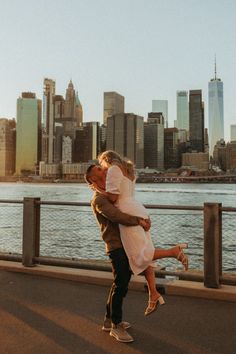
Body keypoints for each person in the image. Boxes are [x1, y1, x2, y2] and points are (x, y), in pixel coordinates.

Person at [97, 150, 189, 316]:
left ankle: (173, 252)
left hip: (128, 215)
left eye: (102, 166)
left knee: (139, 255)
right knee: (143, 255)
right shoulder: (128, 169)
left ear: (106, 161)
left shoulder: (113, 169)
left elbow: (111, 197)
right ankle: (153, 294)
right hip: (138, 209)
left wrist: (99, 192)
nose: (103, 170)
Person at [85, 164, 151, 343]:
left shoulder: (112, 194)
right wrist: (139, 221)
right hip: (115, 246)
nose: (103, 170)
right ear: (92, 178)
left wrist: (142, 216)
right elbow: (116, 216)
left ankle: (109, 320)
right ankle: (116, 324)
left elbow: (127, 207)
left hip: (126, 243)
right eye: (99, 170)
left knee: (119, 283)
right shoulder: (99, 199)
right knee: (121, 284)